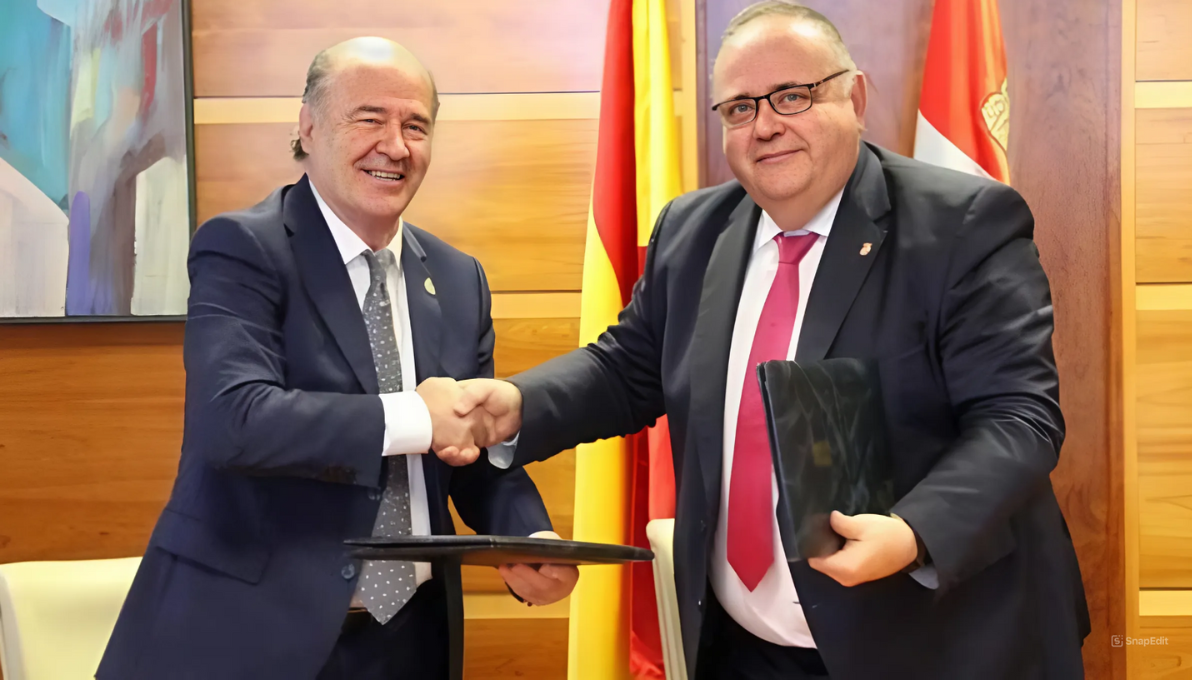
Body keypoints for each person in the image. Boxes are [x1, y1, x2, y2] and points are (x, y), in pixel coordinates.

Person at [453, 3, 1089, 679]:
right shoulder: (693, 230)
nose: (766, 126)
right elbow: (628, 369)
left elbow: (1018, 419)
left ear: (856, 96)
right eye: (739, 108)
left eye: (793, 96)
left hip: (939, 642)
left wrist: (912, 533)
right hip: (743, 649)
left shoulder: (963, 225)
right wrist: (515, 405)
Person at [97, 37, 577, 680]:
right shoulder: (244, 248)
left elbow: (470, 445)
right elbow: (233, 421)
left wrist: (530, 541)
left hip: (410, 641)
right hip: (250, 635)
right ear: (308, 125)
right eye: (369, 118)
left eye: (416, 126)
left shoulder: (461, 280)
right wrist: (416, 417)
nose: (396, 145)